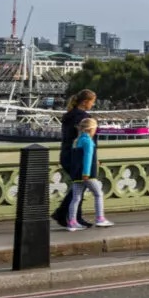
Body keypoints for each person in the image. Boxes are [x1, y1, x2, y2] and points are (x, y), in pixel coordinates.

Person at [54, 89, 98, 229]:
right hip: (78, 156)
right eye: (92, 102)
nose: (93, 104)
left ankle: (73, 217)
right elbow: (86, 141)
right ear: (85, 102)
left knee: (78, 186)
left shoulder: (68, 115)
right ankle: (64, 214)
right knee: (80, 187)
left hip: (66, 153)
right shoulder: (83, 118)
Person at [64, 117, 114, 230]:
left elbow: (78, 158)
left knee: (76, 198)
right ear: (91, 129)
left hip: (76, 174)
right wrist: (86, 173)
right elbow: (87, 157)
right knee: (98, 194)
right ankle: (100, 218)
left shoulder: (77, 140)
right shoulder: (88, 141)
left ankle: (72, 222)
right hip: (88, 174)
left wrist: (95, 162)